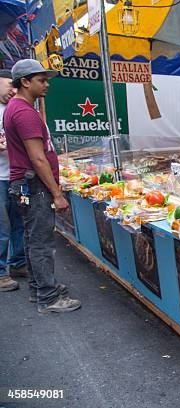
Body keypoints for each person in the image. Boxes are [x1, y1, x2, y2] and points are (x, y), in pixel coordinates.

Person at [4, 59, 80, 313]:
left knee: (31, 237)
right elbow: (37, 157)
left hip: (25, 184)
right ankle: (48, 298)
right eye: (41, 80)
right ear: (25, 82)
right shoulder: (24, 112)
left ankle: (39, 288)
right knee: (41, 242)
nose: (46, 85)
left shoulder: (16, 108)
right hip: (33, 184)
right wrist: (57, 194)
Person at [0, 69, 26, 292]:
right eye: (10, 84)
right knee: (2, 226)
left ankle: (18, 262)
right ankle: (0, 273)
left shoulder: (15, 108)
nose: (13, 90)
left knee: (19, 222)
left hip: (17, 176)